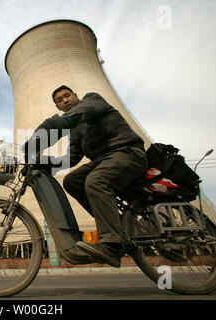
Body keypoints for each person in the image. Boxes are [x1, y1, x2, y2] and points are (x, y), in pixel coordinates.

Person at [24, 85, 148, 268]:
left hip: (126, 151)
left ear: (75, 95)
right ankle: (118, 226)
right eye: (60, 100)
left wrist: (44, 130)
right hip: (103, 161)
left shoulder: (92, 101)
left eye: (67, 96)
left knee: (95, 181)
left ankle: (111, 242)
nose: (65, 100)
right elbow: (71, 159)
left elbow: (64, 123)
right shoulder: (74, 131)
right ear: (58, 107)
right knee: (72, 181)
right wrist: (42, 162)